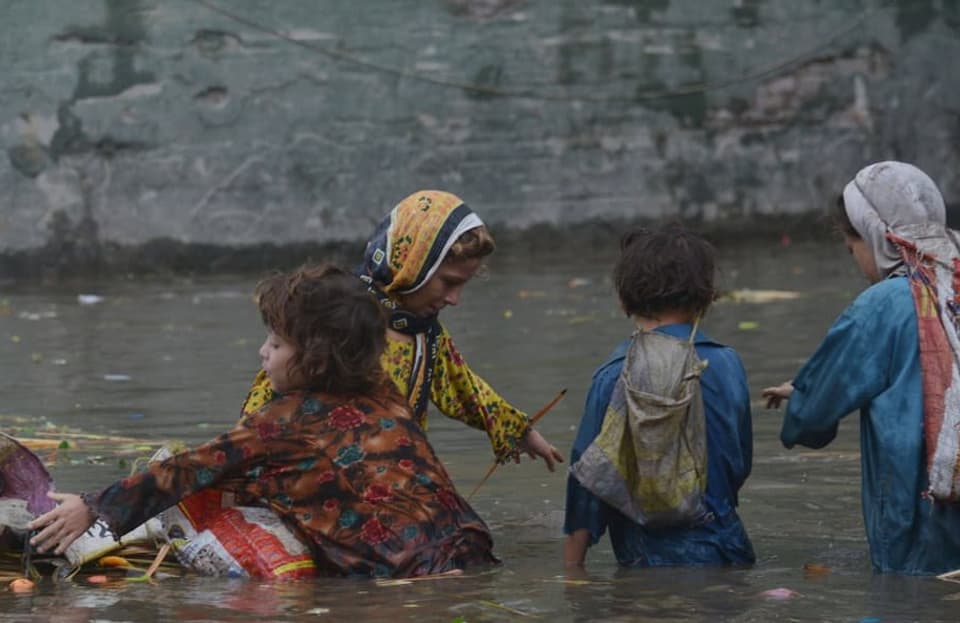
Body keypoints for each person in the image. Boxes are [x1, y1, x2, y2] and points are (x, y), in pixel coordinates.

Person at [29, 264, 498, 578]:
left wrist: (93, 506)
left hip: (410, 575)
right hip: (473, 551)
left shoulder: (283, 422)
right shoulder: (385, 395)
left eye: (275, 344)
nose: (263, 353)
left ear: (313, 358)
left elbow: (189, 468)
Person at [242, 190, 563, 471]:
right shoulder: (341, 318)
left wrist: (521, 432)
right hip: (323, 483)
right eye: (448, 283)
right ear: (412, 265)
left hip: (393, 483)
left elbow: (467, 390)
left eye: (462, 286)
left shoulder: (427, 336)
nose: (454, 300)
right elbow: (268, 395)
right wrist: (235, 465)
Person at [763, 160, 960, 575]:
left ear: (874, 236)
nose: (855, 259)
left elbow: (814, 415)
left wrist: (801, 398)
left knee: (913, 619)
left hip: (921, 521)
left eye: (852, 248)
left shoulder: (884, 304)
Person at [563, 223, 755, 568]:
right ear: (708, 296)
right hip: (727, 550)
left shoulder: (614, 375)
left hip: (647, 561)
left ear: (624, 300)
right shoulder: (726, 364)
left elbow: (590, 477)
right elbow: (738, 463)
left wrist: (573, 569)